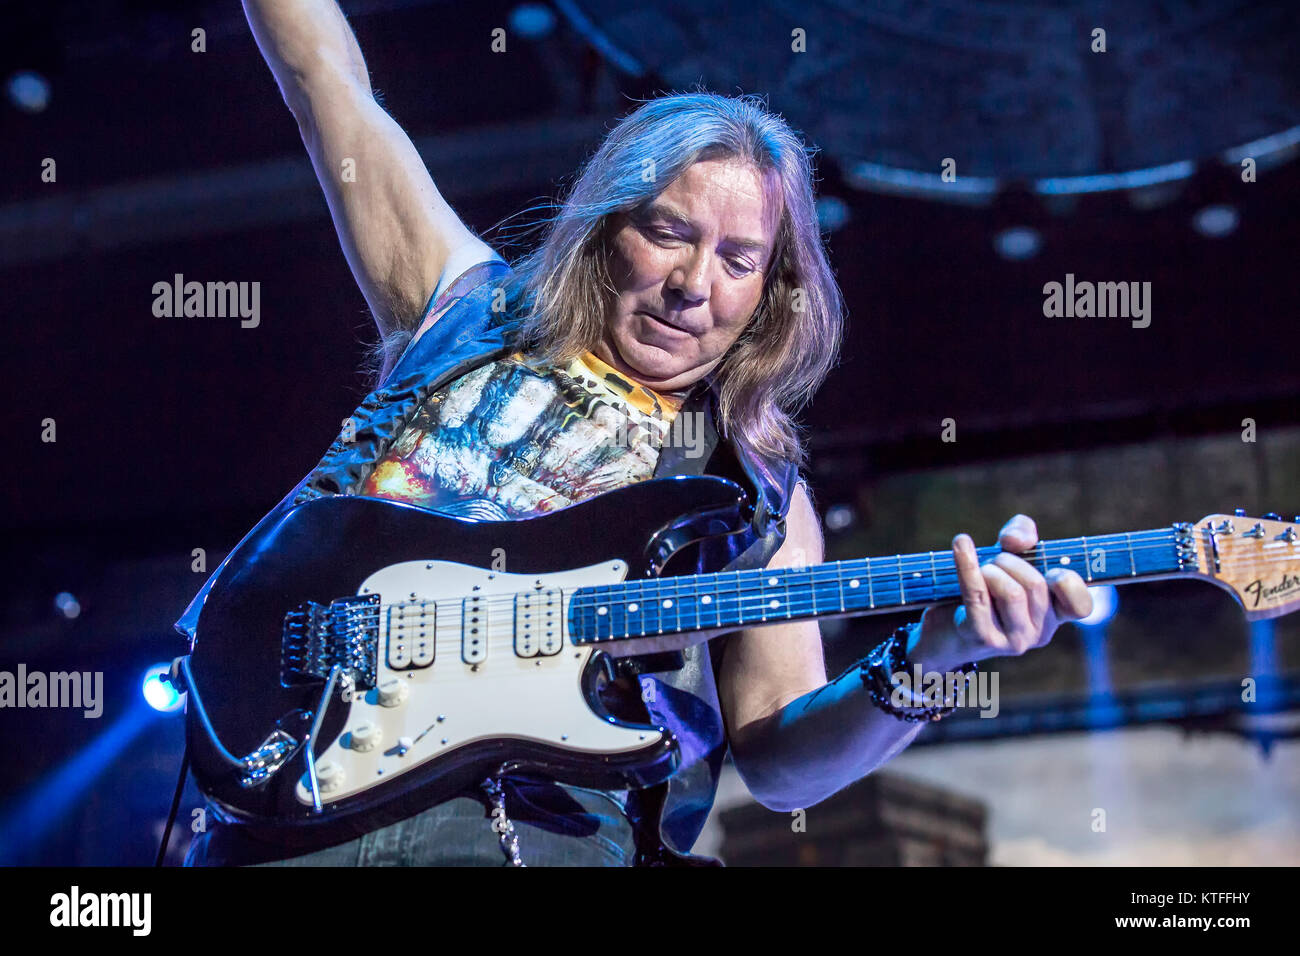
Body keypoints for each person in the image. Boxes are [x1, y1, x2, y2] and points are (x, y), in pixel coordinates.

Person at [181, 0, 1093, 866]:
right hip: (291, 802)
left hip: (533, 839)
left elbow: (779, 760)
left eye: (738, 260)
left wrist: (933, 660)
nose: (694, 283)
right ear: (606, 227)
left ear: (771, 294)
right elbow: (326, 83)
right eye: (668, 232)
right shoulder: (463, 309)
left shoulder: (754, 492)